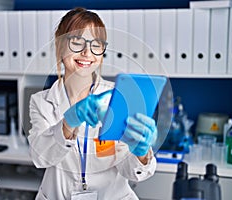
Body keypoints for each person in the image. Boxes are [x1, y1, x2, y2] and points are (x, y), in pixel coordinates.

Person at [28, 7, 157, 200]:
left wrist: (141, 152)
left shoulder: (118, 97)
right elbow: (40, 157)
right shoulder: (42, 102)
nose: (87, 52)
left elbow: (130, 170)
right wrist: (68, 123)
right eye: (77, 42)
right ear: (60, 46)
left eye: (96, 45)